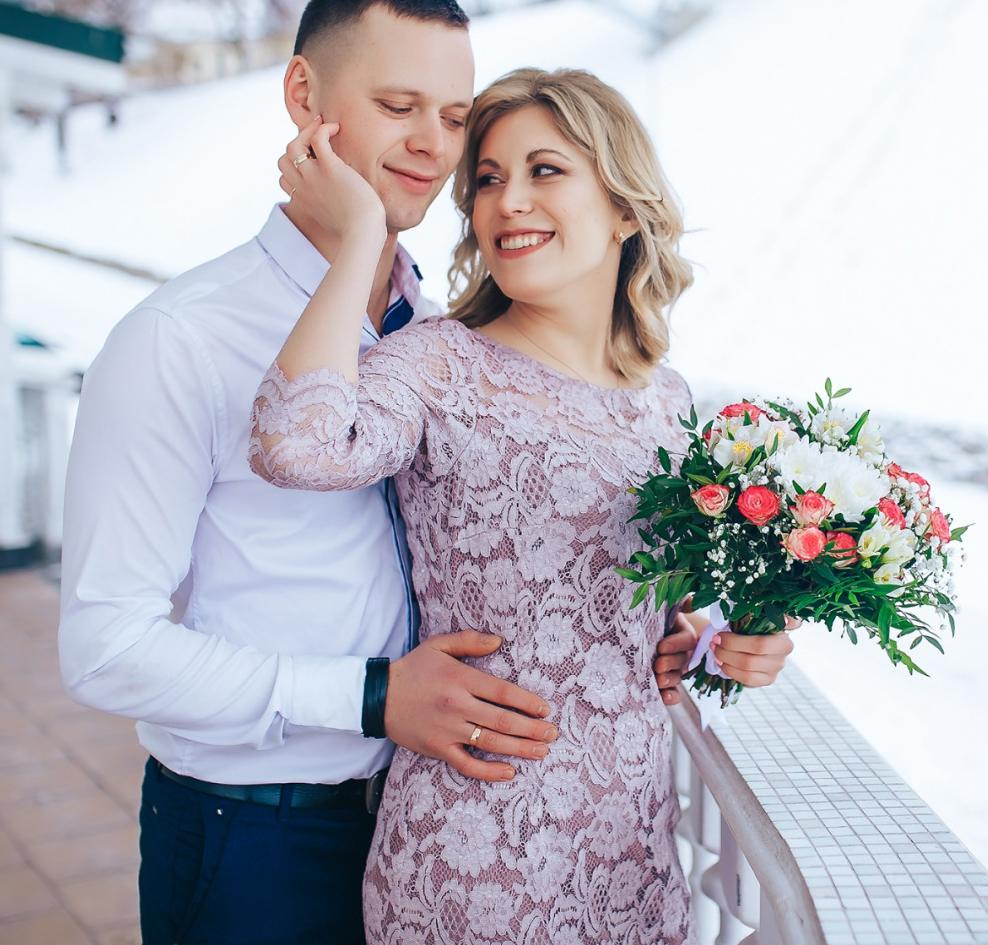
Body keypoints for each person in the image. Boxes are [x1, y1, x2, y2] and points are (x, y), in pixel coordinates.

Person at [58, 0, 785, 945]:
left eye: (452, 117)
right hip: (260, 832)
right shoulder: (180, 339)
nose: (435, 148)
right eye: (398, 106)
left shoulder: (441, 332)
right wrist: (371, 697)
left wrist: (692, 637)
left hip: (452, 803)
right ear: (305, 100)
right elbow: (103, 648)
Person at [250, 66, 787, 944]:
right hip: (478, 854)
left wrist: (724, 642)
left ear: (624, 207)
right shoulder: (437, 363)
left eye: (545, 171)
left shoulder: (670, 401)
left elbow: (662, 611)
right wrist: (361, 239)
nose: (507, 202)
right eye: (489, 180)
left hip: (637, 861)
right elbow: (292, 446)